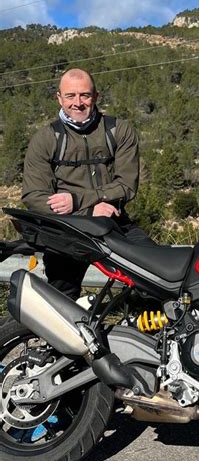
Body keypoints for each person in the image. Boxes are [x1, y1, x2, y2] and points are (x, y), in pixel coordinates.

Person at [21, 67, 152, 299]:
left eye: (85, 95)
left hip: (113, 221)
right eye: (70, 96)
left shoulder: (118, 131)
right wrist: (88, 211)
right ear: (59, 98)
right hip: (67, 228)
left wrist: (77, 200)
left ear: (96, 97)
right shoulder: (45, 139)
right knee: (62, 297)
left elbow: (126, 186)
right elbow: (34, 197)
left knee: (154, 276)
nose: (78, 103)